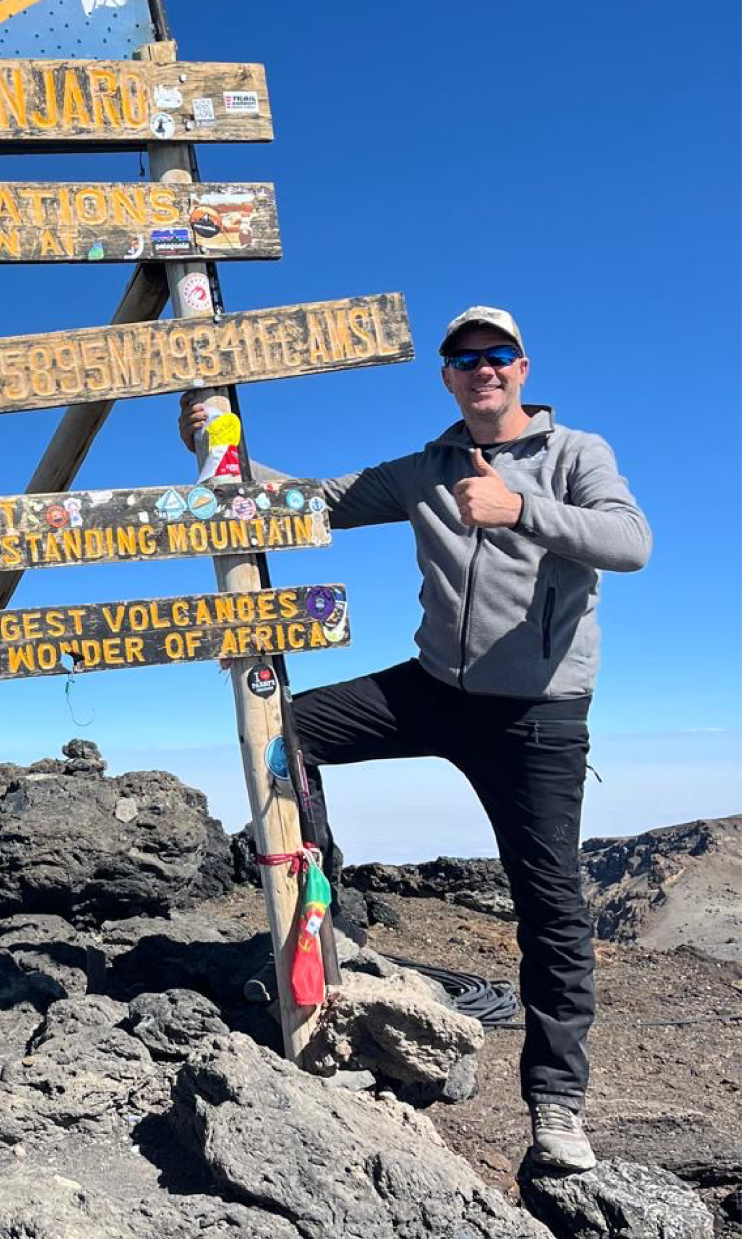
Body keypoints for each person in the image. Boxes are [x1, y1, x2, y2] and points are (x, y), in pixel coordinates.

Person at [182, 307, 651, 1172]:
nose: (484, 369)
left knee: (549, 908)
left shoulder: (578, 455)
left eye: (498, 355)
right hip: (432, 688)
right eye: (465, 358)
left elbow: (631, 543)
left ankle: (556, 1105)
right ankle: (326, 911)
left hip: (537, 716)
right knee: (286, 734)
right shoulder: (423, 469)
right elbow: (310, 502)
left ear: (522, 368)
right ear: (446, 376)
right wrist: (220, 452)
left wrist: (521, 508)